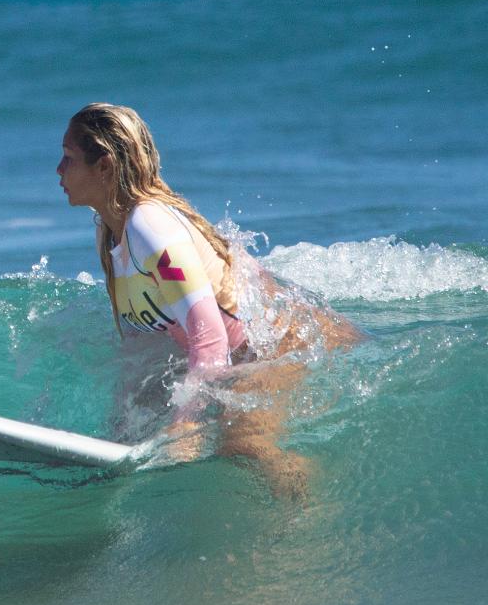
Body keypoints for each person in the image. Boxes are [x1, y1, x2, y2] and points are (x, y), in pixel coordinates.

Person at [57, 102, 360, 496]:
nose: (59, 171)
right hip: (241, 352)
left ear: (105, 166)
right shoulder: (110, 232)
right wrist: (123, 428)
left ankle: (307, 522)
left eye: (68, 158)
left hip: (285, 343)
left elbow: (210, 337)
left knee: (240, 444)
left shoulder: (150, 227)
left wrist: (187, 420)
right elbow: (140, 342)